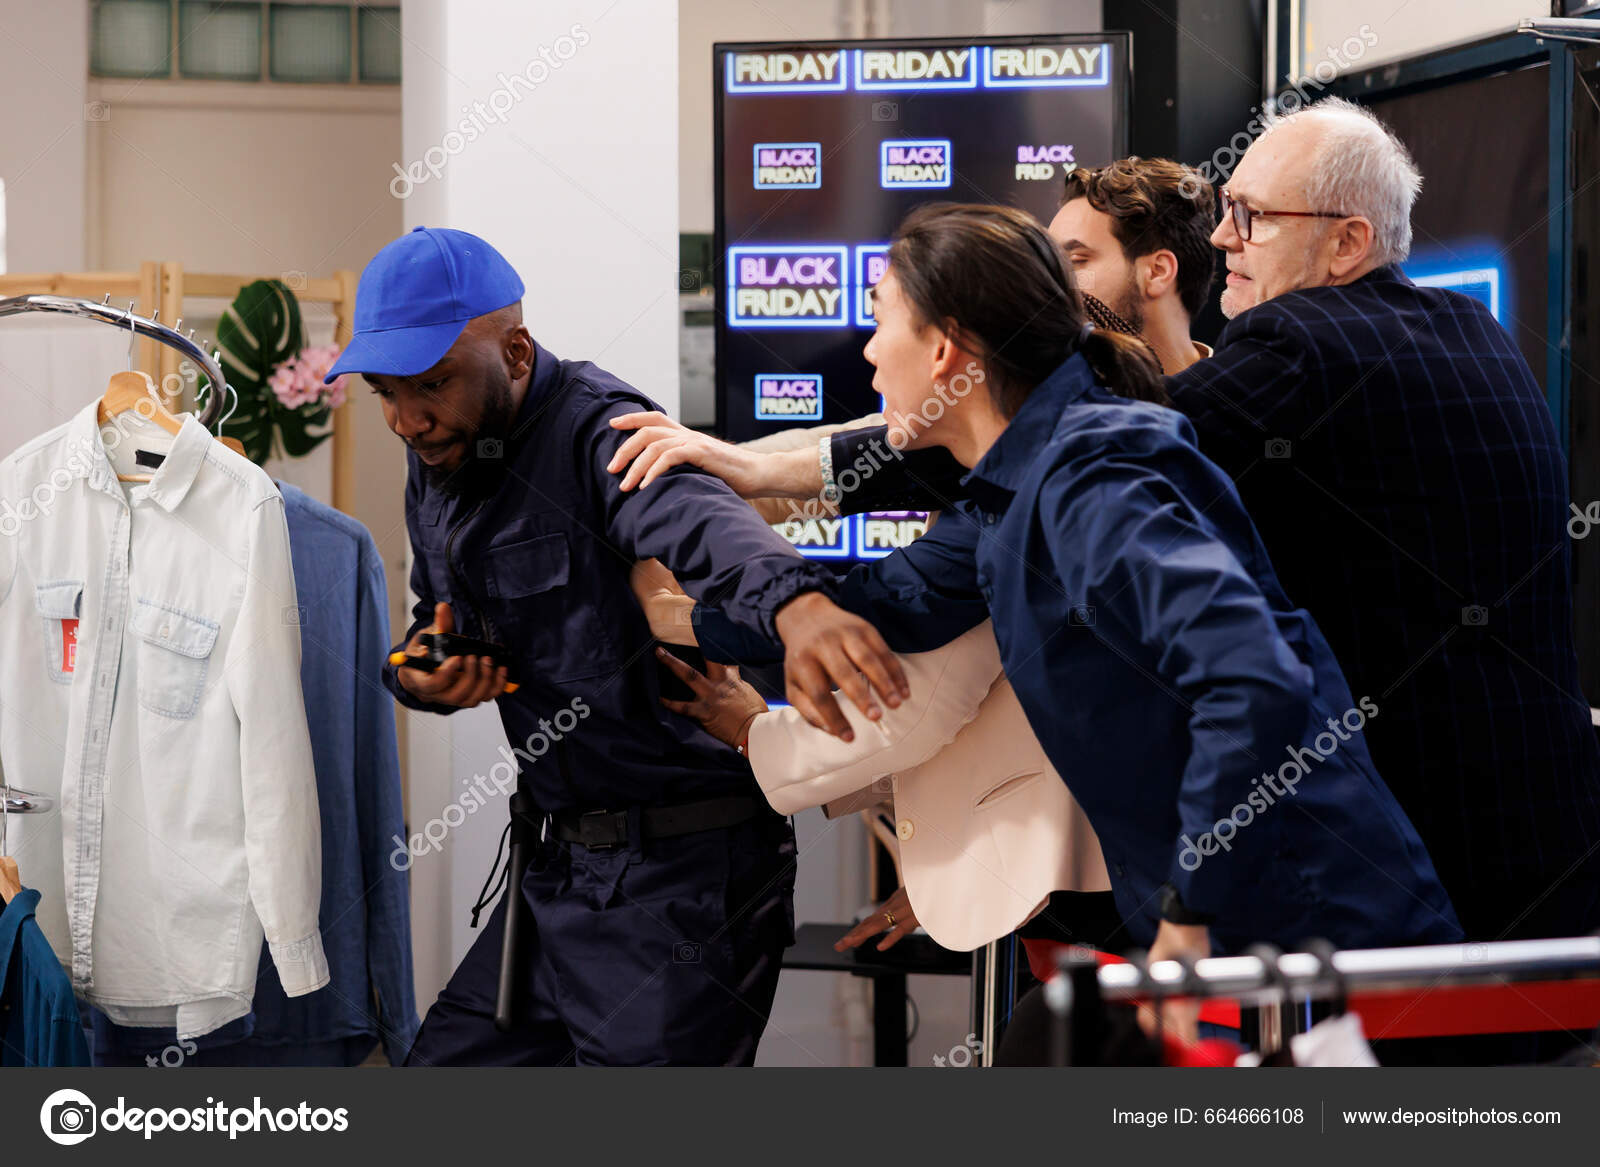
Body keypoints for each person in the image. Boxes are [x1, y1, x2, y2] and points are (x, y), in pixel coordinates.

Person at [688, 204, 1464, 1017]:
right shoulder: (1008, 486)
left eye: (881, 322)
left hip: (1313, 944)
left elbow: (1252, 679)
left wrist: (1187, 914)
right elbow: (891, 609)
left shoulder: (1090, 475)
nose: (870, 353)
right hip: (1252, 946)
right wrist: (682, 620)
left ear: (947, 347)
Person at [328, 227, 908, 1066]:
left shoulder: (604, 434)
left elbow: (706, 523)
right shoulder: (443, 446)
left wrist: (800, 608)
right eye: (384, 392)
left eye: (431, 385)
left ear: (516, 350)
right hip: (557, 871)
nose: (406, 417)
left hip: (681, 884)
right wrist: (421, 669)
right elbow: (438, 615)